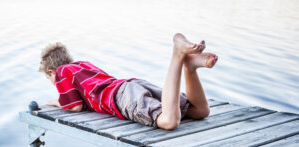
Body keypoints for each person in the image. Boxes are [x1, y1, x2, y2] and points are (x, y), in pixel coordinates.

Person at [39, 33, 218, 130]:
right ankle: (190, 68)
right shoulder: (82, 65)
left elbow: (75, 106)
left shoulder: (62, 72)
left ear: (51, 71)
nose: (57, 85)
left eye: (52, 81)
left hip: (122, 98)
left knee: (169, 121)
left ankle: (178, 55)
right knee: (199, 111)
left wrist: (56, 102)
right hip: (131, 86)